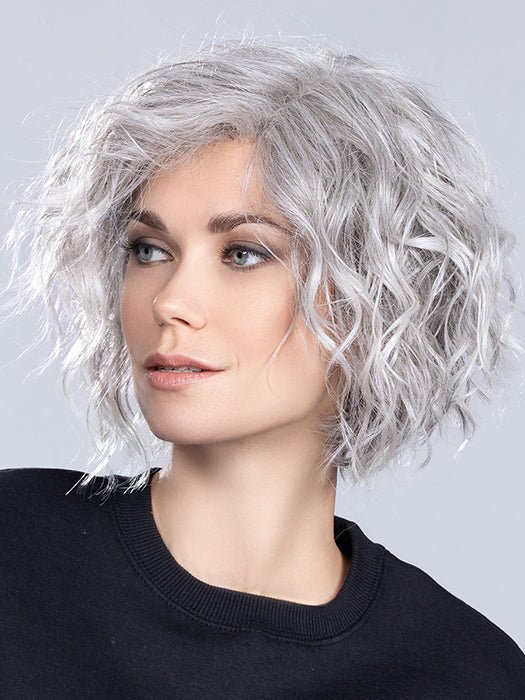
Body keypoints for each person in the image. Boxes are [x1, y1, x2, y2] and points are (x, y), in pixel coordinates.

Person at [1, 36, 524, 699]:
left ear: (377, 298)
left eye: (244, 253)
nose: (170, 302)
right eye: (149, 249)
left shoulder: (464, 673)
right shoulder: (14, 551)